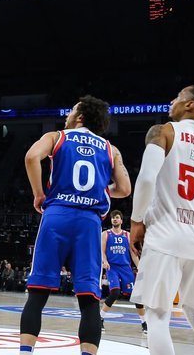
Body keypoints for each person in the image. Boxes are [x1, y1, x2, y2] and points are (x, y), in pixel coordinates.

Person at [20, 95, 131, 355]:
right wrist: (100, 191)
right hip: (89, 223)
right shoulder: (110, 148)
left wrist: (38, 193)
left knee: (38, 292)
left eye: (72, 110)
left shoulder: (57, 137)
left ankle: (26, 352)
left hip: (56, 216)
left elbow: (30, 158)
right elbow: (124, 189)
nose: (67, 114)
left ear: (80, 116)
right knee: (89, 298)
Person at [130, 85, 194, 355]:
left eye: (177, 96)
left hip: (165, 235)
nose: (172, 100)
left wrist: (136, 221)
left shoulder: (163, 131)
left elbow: (146, 179)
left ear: (189, 104)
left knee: (157, 315)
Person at [100, 210, 146, 333]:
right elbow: (102, 251)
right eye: (113, 218)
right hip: (113, 267)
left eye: (117, 217)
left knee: (136, 297)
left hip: (126, 268)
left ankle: (144, 323)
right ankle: (100, 319)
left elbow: (133, 254)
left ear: (121, 220)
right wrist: (105, 261)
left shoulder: (128, 235)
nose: (114, 219)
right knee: (115, 292)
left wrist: (140, 267)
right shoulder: (106, 234)